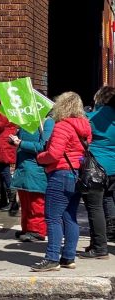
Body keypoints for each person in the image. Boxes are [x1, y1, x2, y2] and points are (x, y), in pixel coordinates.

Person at [31, 91, 91, 272]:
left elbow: (54, 154)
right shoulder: (86, 126)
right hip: (77, 174)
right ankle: (68, 257)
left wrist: (40, 157)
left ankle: (51, 258)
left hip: (61, 173)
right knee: (70, 217)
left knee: (53, 217)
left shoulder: (62, 126)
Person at [80, 85, 115, 258]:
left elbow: (83, 138)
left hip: (96, 168)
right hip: (113, 167)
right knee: (108, 201)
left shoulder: (91, 118)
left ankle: (99, 246)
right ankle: (108, 233)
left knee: (94, 208)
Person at [8, 116, 54, 242]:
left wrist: (21, 143)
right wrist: (13, 140)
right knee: (25, 200)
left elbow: (44, 146)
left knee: (36, 201)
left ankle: (37, 231)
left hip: (36, 167)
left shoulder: (47, 122)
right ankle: (27, 228)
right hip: (23, 166)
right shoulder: (26, 120)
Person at [0, 99, 19, 214]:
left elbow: (0, 124)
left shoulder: (3, 106)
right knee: (3, 172)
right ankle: (6, 201)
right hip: (6, 140)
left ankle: (13, 202)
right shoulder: (10, 104)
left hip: (3, 141)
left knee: (5, 172)